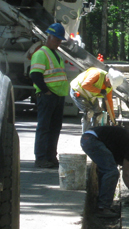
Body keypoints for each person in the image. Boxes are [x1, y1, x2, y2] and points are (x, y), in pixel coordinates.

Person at [80, 126, 129, 218]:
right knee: (112, 172)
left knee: (107, 169)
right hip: (92, 140)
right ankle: (103, 208)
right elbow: (126, 175)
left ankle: (102, 204)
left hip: (88, 138)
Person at [30, 23, 69, 168]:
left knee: (54, 128)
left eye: (60, 40)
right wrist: (46, 91)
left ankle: (51, 156)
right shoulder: (41, 53)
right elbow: (35, 75)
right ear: (49, 37)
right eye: (57, 39)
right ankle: (40, 158)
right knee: (44, 128)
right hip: (48, 96)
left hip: (57, 96)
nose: (59, 43)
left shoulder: (56, 54)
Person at [70, 67, 124, 132]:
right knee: (89, 113)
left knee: (98, 114)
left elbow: (109, 102)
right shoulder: (96, 74)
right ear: (108, 78)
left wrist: (113, 117)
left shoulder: (109, 87)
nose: (110, 86)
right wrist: (99, 91)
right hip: (78, 92)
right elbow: (85, 85)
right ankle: (86, 136)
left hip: (89, 96)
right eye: (110, 83)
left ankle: (93, 132)